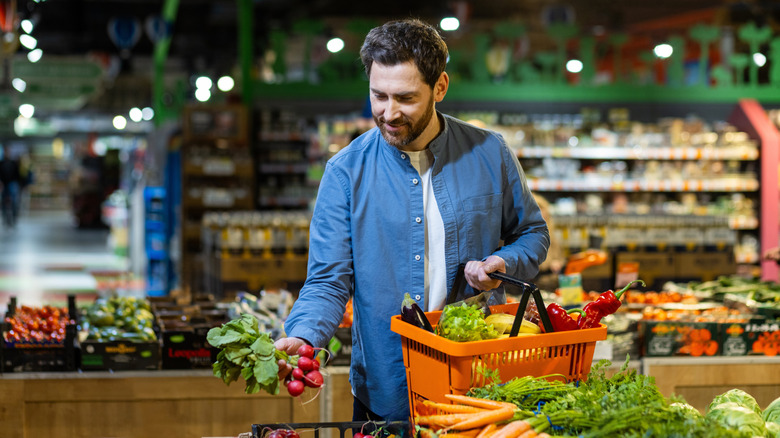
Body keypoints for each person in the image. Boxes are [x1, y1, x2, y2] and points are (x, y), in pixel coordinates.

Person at [274, 18, 550, 422]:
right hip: (386, 392)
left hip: (480, 388)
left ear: (440, 87)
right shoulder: (345, 173)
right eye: (378, 96)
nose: (389, 113)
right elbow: (328, 279)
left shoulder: (490, 153)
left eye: (405, 98)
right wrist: (303, 335)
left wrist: (503, 264)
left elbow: (532, 233)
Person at [0, 150, 22, 228]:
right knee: (3, 202)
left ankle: (13, 218)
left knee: (14, 201)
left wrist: (18, 184)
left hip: (12, 183)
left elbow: (17, 174)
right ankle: (5, 218)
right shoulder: (1, 163)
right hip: (4, 184)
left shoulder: (13, 163)